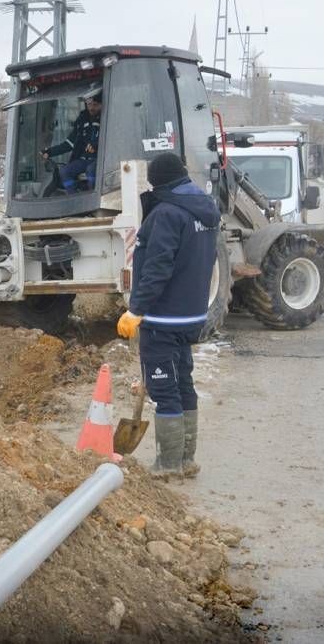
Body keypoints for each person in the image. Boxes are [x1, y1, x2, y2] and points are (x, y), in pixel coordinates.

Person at [116, 152, 220, 477]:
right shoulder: (204, 209)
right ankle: (187, 460)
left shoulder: (166, 214)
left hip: (163, 318)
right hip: (191, 315)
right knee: (183, 384)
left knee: (164, 389)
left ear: (158, 183)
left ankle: (169, 464)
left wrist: (136, 310)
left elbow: (158, 268)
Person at [41, 94, 102, 193]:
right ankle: (74, 197)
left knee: (91, 170)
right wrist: (50, 152)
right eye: (89, 104)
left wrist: (96, 146)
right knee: (64, 171)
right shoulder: (81, 121)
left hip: (100, 160)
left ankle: (93, 196)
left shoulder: (107, 119)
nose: (91, 108)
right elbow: (68, 144)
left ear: (101, 104)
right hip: (83, 160)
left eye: (95, 105)